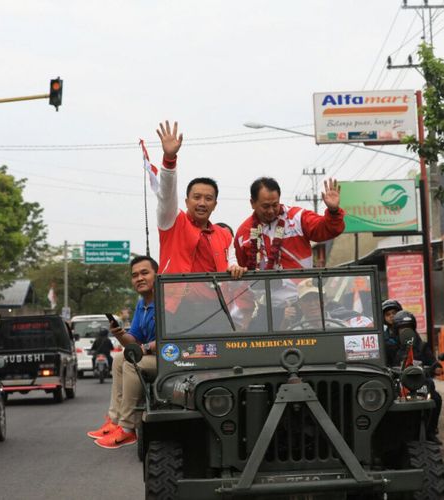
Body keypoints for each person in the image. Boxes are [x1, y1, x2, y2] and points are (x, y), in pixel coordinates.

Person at [155, 120, 245, 278]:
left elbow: (232, 264)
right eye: (197, 197)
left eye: (208, 198)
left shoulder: (225, 236)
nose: (202, 203)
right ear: (186, 201)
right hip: (176, 301)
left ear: (215, 204)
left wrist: (236, 269)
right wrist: (169, 159)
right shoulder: (172, 221)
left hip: (216, 302)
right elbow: (166, 195)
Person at [87, 255, 158, 449]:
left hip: (170, 358)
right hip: (152, 356)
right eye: (135, 275)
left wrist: (146, 347)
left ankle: (127, 428)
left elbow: (170, 339)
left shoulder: (168, 302)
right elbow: (132, 340)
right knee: (119, 358)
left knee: (132, 364)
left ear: (157, 274)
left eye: (145, 273)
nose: (139, 278)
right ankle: (114, 421)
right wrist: (118, 334)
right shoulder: (141, 304)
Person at [235, 177, 345, 271]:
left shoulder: (297, 217)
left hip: (301, 294)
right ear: (252, 203)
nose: (271, 211)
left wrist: (333, 212)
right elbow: (241, 273)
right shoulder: (243, 233)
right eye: (266, 206)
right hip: (263, 295)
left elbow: (328, 229)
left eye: (275, 205)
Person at [387, 310, 444, 445]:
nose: (405, 332)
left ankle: (430, 430)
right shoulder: (390, 346)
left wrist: (437, 367)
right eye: (401, 329)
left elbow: (432, 361)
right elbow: (386, 364)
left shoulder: (421, 345)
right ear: (396, 330)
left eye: (408, 328)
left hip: (420, 383)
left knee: (436, 398)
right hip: (397, 384)